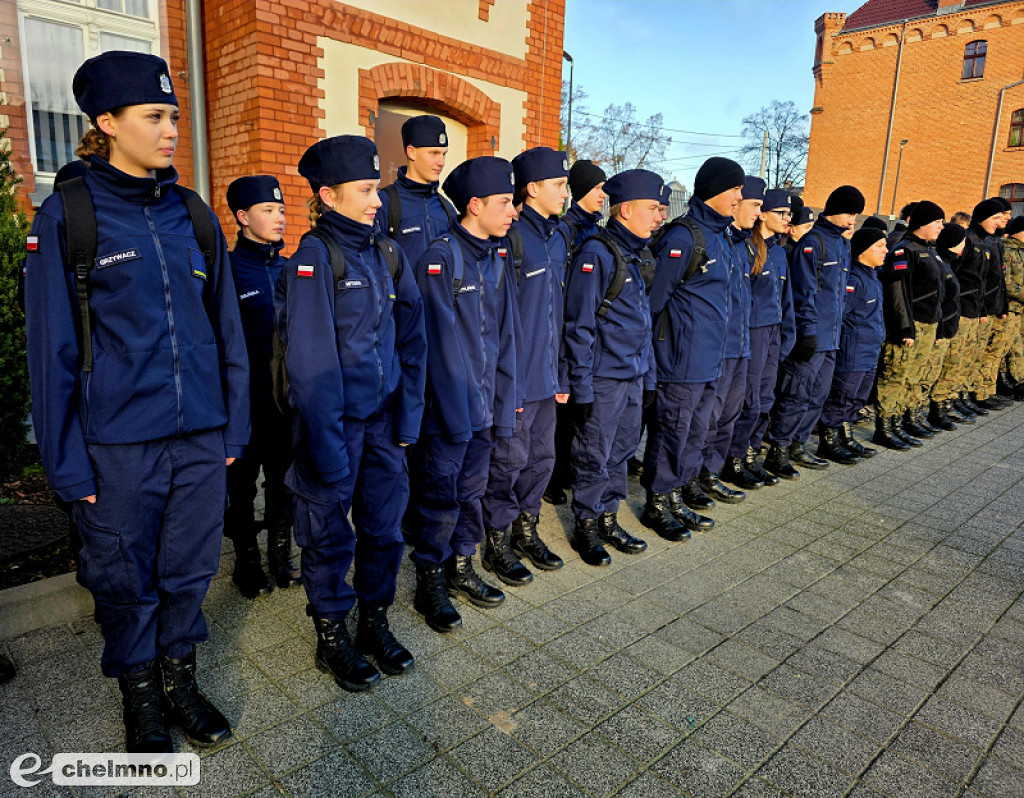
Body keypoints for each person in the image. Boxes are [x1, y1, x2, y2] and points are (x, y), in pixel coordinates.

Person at [24, 51, 249, 753]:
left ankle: (180, 680)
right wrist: (67, 467)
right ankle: (142, 696)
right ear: (107, 122)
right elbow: (51, 352)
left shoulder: (192, 214)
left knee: (188, 569)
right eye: (154, 116)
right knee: (125, 580)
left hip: (200, 438)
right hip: (117, 446)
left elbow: (226, 331)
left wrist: (232, 426)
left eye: (174, 115)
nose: (171, 129)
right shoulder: (71, 216)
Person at [279, 135, 427, 689]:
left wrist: (408, 419)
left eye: (375, 189)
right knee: (328, 537)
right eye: (365, 191)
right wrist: (325, 448)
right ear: (329, 195)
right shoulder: (316, 257)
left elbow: (413, 340)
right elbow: (310, 362)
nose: (376, 201)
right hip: (333, 430)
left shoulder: (387, 253)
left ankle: (374, 621)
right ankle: (332, 634)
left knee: (384, 532)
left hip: (385, 426)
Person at [406, 156, 519, 631]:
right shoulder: (441, 256)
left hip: (484, 410)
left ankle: (461, 565)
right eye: (505, 202)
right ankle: (429, 578)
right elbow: (437, 345)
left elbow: (506, 336)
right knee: (440, 496)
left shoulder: (495, 254)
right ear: (475, 205)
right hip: (449, 414)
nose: (513, 211)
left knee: (471, 493)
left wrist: (505, 403)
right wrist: (458, 416)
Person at [564, 169, 663, 565]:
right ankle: (586, 523)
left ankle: (608, 516)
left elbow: (643, 323)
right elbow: (578, 324)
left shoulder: (640, 253)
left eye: (660, 209)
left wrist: (649, 376)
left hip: (634, 375)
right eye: (652, 209)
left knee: (621, 451)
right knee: (594, 452)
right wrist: (583, 388)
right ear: (624, 210)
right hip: (604, 378)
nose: (659, 216)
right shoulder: (597, 253)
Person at [480, 147, 569, 584]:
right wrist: (505, 385)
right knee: (508, 462)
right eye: (559, 185)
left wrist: (563, 372)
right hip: (517, 378)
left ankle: (526, 529)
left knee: (541, 460)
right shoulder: (511, 238)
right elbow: (498, 320)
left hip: (548, 377)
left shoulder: (559, 237)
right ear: (532, 189)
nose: (565, 193)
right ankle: (495, 539)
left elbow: (563, 313)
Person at [644, 157, 746, 534]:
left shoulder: (721, 236)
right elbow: (654, 302)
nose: (739, 196)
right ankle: (657, 501)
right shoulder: (684, 237)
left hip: (710, 361)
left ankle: (676, 495)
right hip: (680, 362)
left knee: (694, 433)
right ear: (716, 189)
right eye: (734, 188)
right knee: (672, 432)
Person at [223, 175, 300, 599]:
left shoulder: (290, 267)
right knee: (241, 484)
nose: (278, 218)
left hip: (284, 402)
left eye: (282, 210)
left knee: (283, 481)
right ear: (242, 216)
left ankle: (280, 554)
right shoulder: (229, 271)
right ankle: (247, 562)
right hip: (244, 401)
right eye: (268, 211)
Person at [765, 185, 862, 478]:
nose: (852, 220)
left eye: (856, 215)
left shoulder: (843, 244)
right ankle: (778, 449)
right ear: (834, 211)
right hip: (812, 337)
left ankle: (798, 443)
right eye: (849, 213)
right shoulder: (814, 243)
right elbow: (803, 293)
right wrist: (806, 332)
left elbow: (839, 295)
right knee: (796, 393)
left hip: (831, 338)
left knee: (817, 395)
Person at [546, 158, 607, 505]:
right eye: (598, 188)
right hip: (565, 327)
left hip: (587, 330)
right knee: (561, 411)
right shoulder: (566, 229)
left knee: (574, 411)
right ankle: (551, 477)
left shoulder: (594, 229)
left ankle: (566, 469)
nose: (603, 194)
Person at [725, 189, 795, 488]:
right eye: (781, 213)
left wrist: (787, 336)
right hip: (751, 334)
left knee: (765, 399)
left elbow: (786, 299)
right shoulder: (747, 248)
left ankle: (751, 454)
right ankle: (735, 459)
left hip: (773, 332)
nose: (787, 219)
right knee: (749, 401)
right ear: (763, 214)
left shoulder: (779, 252)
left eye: (789, 214)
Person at [701, 176, 763, 497]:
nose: (759, 213)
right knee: (709, 417)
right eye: (755, 205)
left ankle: (711, 472)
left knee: (729, 415)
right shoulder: (718, 242)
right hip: (719, 349)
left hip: (740, 347)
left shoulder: (744, 246)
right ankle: (693, 476)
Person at [873, 201, 948, 449]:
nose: (941, 226)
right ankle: (884, 428)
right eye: (937, 222)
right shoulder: (904, 251)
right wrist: (904, 328)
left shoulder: (930, 250)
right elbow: (897, 292)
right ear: (924, 224)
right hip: (910, 325)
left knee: (914, 376)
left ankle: (903, 422)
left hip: (928, 324)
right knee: (896, 376)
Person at [817, 227, 886, 460]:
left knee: (857, 398)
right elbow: (841, 316)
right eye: (879, 246)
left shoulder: (873, 277)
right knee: (842, 397)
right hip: (853, 352)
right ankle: (829, 441)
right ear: (864, 250)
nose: (886, 250)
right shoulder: (855, 280)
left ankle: (846, 435)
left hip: (870, 351)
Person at [374, 114, 457, 268]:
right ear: (411, 152)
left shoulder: (446, 208)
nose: (441, 162)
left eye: (443, 154)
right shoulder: (384, 203)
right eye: (434, 153)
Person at [965, 199, 1008, 410]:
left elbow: (993, 280)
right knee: (963, 357)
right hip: (967, 310)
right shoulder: (970, 241)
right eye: (995, 218)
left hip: (981, 308)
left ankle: (967, 396)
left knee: (977, 354)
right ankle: (959, 397)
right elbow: (968, 280)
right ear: (982, 218)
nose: (1000, 222)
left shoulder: (987, 241)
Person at [931, 223, 972, 424]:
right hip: (941, 327)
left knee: (952, 366)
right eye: (962, 241)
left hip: (950, 325)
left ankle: (946, 405)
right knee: (937, 370)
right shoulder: (941, 264)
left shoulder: (950, 262)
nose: (965, 245)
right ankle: (937, 410)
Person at [1001, 216, 1024, 398]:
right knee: (1014, 347)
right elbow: (1005, 282)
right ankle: (1018, 383)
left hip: (1021, 309)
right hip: (1010, 308)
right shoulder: (1006, 249)